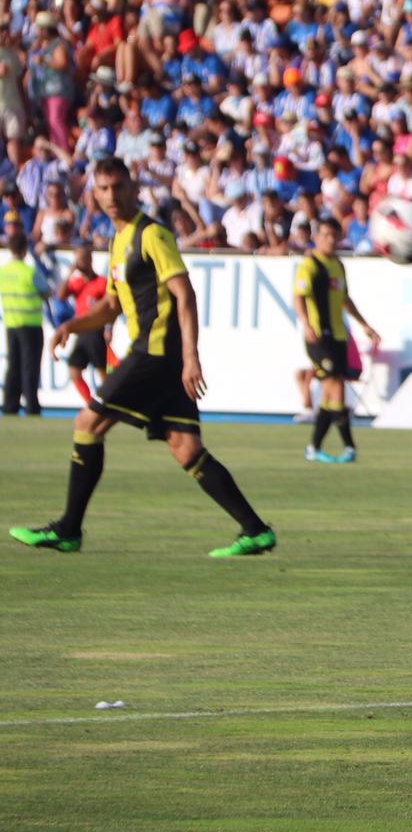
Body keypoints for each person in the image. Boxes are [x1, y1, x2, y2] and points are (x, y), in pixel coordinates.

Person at [9, 157, 276, 558]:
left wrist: (191, 356)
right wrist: (72, 326)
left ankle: (68, 529)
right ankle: (255, 530)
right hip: (159, 358)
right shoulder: (118, 241)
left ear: (133, 188)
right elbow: (112, 305)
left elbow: (185, 295)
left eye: (118, 187)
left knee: (87, 423)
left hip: (154, 353)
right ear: (94, 195)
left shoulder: (153, 235)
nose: (112, 196)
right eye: (103, 189)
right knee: (185, 448)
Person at [294, 218, 380, 463]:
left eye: (335, 235)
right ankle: (349, 447)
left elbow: (345, 299)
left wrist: (365, 325)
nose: (331, 240)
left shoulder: (338, 266)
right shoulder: (310, 266)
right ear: (317, 237)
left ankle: (315, 447)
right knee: (336, 387)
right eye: (326, 235)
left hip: (340, 336)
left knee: (333, 395)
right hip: (319, 337)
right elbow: (299, 296)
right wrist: (306, 323)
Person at [1, 229, 49, 416]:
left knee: (13, 365)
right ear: (25, 249)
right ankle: (31, 406)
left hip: (11, 323)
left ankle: (10, 405)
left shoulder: (4, 272)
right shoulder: (30, 272)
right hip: (31, 323)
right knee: (30, 366)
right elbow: (46, 292)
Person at [57, 239, 110, 407]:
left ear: (89, 260)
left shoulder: (101, 282)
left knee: (102, 372)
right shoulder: (77, 283)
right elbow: (61, 295)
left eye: (82, 259)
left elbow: (110, 308)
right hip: (81, 332)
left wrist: (109, 328)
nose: (79, 263)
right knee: (74, 371)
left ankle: (110, 404)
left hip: (95, 331)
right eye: (77, 260)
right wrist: (70, 272)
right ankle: (90, 404)